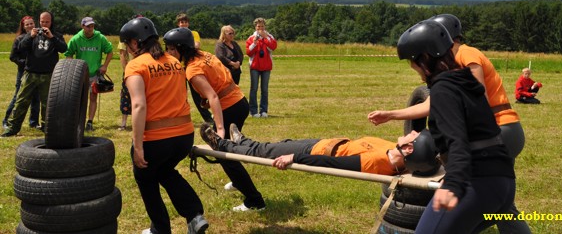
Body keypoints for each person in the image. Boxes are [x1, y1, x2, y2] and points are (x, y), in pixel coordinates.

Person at [369, 13, 531, 234]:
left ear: (425, 58)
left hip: (475, 181)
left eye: (412, 61)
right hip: (501, 182)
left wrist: (453, 183)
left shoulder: (451, 81)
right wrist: (392, 114)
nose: (411, 67)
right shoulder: (463, 82)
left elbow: (458, 140)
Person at [119, 17, 208, 234]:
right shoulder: (174, 62)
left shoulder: (136, 65)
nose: (127, 48)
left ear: (135, 43)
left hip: (156, 139)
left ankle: (160, 228)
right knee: (165, 170)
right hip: (184, 137)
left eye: (127, 43)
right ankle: (195, 215)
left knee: (145, 178)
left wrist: (138, 145)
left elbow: (138, 105)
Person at [163, 27, 266, 212]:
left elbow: (213, 97)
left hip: (230, 107)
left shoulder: (192, 70)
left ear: (182, 48)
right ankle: (237, 182)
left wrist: (219, 130)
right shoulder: (203, 54)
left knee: (226, 156)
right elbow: (217, 79)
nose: (168, 53)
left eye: (171, 49)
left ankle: (255, 201)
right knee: (230, 151)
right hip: (239, 101)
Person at [201, 122, 440, 176]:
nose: (414, 131)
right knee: (276, 145)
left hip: (316, 152)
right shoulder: (397, 154)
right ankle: (243, 141)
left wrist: (295, 158)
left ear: (409, 149)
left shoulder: (377, 164)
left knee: (264, 152)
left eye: (416, 136)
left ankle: (222, 144)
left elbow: (330, 164)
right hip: (327, 142)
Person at [2, 12, 67, 137]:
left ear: (51, 22)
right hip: (30, 73)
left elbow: (64, 48)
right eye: (42, 21)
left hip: (48, 75)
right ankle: (12, 129)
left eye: (47, 22)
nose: (44, 24)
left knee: (47, 104)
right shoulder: (32, 34)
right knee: (21, 101)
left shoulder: (56, 35)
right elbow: (21, 47)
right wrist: (30, 37)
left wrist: (52, 37)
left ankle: (47, 128)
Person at [65, 17, 113, 132]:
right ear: (82, 26)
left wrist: (105, 65)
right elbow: (68, 54)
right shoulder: (76, 39)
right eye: (88, 26)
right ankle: (78, 121)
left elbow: (110, 51)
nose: (91, 28)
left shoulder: (100, 38)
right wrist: (73, 67)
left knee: (93, 97)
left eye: (92, 26)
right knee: (79, 99)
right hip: (80, 74)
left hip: (95, 73)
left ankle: (90, 122)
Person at [3, 16, 41, 129]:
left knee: (36, 98)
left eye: (31, 23)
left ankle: (33, 122)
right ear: (23, 27)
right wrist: (24, 63)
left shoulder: (39, 37)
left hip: (37, 71)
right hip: (23, 72)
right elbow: (12, 57)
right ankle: (6, 121)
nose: (30, 26)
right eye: (27, 24)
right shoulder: (19, 39)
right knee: (18, 97)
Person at [245, 17, 277, 118]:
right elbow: (249, 52)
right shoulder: (251, 38)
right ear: (255, 27)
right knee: (253, 89)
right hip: (255, 67)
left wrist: (265, 38)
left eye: (262, 26)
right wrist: (254, 43)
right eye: (259, 27)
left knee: (265, 89)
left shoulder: (269, 36)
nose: (260, 29)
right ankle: (253, 111)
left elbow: (273, 47)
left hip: (266, 66)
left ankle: (264, 110)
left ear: (265, 27)